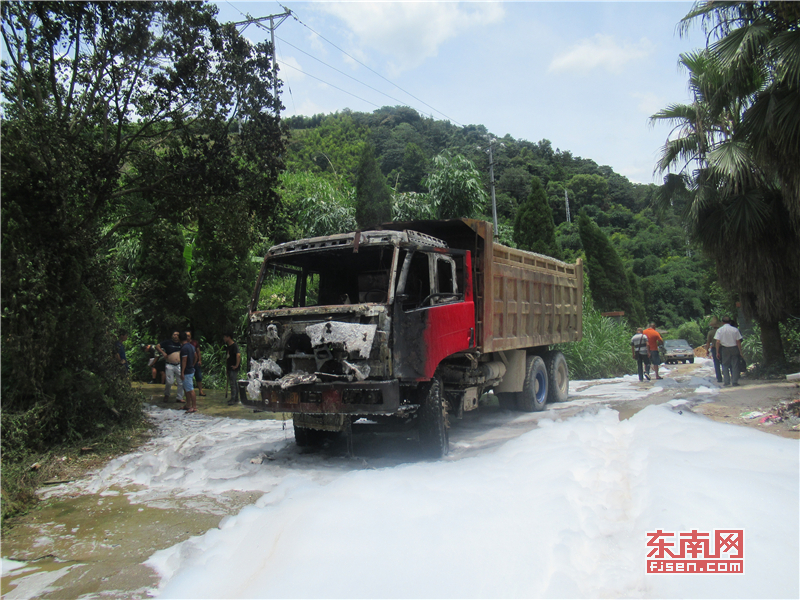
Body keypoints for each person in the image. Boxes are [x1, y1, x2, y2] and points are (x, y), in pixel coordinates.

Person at [715, 316, 744, 387]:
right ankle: (734, 382)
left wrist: (717, 352)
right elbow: (738, 341)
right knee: (735, 365)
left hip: (725, 349)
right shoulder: (735, 330)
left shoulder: (719, 330)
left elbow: (718, 342)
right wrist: (740, 351)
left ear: (722, 322)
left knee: (725, 365)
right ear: (730, 322)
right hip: (734, 348)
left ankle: (727, 382)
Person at [156, 330, 184, 403]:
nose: (175, 336)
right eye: (174, 334)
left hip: (178, 365)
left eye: (177, 335)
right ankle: (166, 395)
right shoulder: (167, 342)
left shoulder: (181, 343)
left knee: (180, 382)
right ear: (172, 335)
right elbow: (157, 346)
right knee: (169, 381)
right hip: (169, 364)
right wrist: (163, 352)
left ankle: (179, 397)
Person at [179, 331, 198, 413]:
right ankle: (188, 404)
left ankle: (194, 407)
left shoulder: (184, 348)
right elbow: (196, 356)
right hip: (191, 369)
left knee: (190, 389)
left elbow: (184, 360)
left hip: (187, 371)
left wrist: (182, 372)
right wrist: (193, 364)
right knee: (186, 389)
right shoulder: (191, 346)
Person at [223, 331, 241, 406]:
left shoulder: (234, 346)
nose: (223, 338)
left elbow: (238, 355)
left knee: (233, 383)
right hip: (230, 367)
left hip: (233, 367)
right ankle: (235, 398)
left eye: (225, 337)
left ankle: (234, 399)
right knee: (233, 383)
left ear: (228, 337)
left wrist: (236, 365)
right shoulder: (228, 346)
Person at [704, 317, 723, 383]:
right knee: (724, 363)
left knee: (716, 364)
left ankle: (719, 378)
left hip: (714, 349)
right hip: (723, 348)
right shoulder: (721, 331)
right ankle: (726, 377)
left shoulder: (710, 332)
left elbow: (708, 342)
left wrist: (707, 350)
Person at [186, 330, 205, 397]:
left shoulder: (194, 342)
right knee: (188, 378)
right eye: (186, 336)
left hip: (196, 362)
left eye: (188, 335)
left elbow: (198, 352)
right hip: (188, 363)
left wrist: (200, 360)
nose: (187, 337)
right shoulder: (184, 343)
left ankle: (201, 391)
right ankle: (189, 392)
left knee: (198, 377)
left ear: (191, 336)